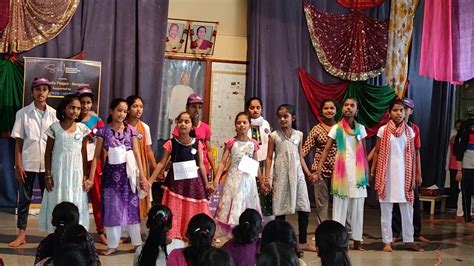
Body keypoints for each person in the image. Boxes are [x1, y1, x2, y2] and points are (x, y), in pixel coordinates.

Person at [88, 98, 150, 255]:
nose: (122, 114)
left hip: (128, 176)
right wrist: (90, 177)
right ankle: (113, 244)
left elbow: (136, 154)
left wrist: (142, 177)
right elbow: (96, 156)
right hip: (110, 177)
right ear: (111, 111)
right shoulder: (103, 131)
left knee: (132, 209)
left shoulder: (131, 131)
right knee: (112, 209)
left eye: (124, 111)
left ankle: (137, 244)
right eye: (119, 110)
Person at [9, 77, 57, 247]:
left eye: (44, 89)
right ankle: (21, 235)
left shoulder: (55, 114)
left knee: (50, 199)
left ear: (49, 93)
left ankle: (53, 235)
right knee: (24, 200)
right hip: (28, 163)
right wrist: (18, 164)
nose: (41, 92)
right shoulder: (22, 114)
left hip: (48, 166)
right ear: (32, 92)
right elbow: (19, 141)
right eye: (37, 89)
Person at [150, 111, 212, 239]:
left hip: (193, 184)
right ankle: (175, 231)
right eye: (180, 121)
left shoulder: (197, 143)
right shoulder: (171, 143)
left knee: (193, 207)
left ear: (192, 126)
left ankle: (192, 232)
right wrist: (150, 181)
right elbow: (161, 164)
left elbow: (200, 164)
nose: (183, 124)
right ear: (176, 124)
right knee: (176, 207)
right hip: (175, 183)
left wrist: (207, 184)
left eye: (186, 122)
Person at [371, 99, 423, 252]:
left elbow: (413, 154)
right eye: (395, 110)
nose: (398, 113)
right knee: (386, 209)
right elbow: (378, 152)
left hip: (404, 175)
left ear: (405, 112)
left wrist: (414, 175)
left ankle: (409, 240)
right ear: (389, 113)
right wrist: (373, 171)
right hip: (386, 175)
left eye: (401, 110)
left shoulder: (410, 131)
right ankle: (387, 241)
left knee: (407, 209)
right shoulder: (382, 130)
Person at [317, 97, 369, 251]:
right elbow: (326, 150)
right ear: (342, 109)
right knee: (340, 208)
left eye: (352, 105)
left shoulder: (361, 128)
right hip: (341, 174)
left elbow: (364, 152)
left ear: (356, 110)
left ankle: (358, 240)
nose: (348, 108)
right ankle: (338, 240)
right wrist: (319, 169)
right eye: (346, 105)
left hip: (358, 174)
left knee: (358, 208)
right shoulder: (336, 128)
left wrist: (366, 172)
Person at [265, 104, 315, 252]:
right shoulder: (274, 136)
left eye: (285, 116)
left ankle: (303, 241)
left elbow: (300, 156)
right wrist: (267, 177)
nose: (282, 119)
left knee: (303, 206)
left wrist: (308, 173)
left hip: (297, 175)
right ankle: (281, 241)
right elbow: (268, 158)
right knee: (280, 209)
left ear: (293, 118)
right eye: (280, 116)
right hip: (281, 175)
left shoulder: (298, 134)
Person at [38, 95, 90, 232]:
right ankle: (55, 233)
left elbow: (84, 152)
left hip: (76, 172)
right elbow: (48, 152)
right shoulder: (55, 128)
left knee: (76, 199)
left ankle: (75, 232)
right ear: (64, 108)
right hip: (58, 171)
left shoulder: (82, 128)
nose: (75, 111)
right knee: (58, 197)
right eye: (72, 107)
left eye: (78, 108)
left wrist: (85, 175)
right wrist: (47, 175)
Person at [214, 112, 263, 234]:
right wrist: (216, 180)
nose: (241, 125)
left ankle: (247, 230)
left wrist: (262, 182)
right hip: (233, 179)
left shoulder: (253, 144)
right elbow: (222, 162)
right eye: (238, 122)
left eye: (244, 122)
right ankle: (233, 232)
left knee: (246, 202)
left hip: (248, 180)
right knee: (234, 203)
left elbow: (256, 164)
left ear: (249, 125)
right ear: (235, 126)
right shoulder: (231, 143)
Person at [392, 98, 431, 242]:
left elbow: (417, 152)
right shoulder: (389, 128)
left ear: (410, 111)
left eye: (406, 108)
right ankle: (395, 232)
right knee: (395, 202)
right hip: (395, 170)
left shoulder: (414, 129)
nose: (403, 111)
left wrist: (418, 173)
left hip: (409, 171)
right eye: (399, 108)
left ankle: (416, 233)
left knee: (413, 202)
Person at [302, 99, 338, 238]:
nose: (329, 111)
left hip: (339, 171)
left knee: (338, 204)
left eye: (332, 108)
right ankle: (323, 233)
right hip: (319, 171)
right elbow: (305, 150)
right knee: (322, 204)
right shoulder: (317, 129)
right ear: (321, 111)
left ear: (336, 110)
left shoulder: (341, 128)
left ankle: (336, 232)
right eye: (326, 108)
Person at [76, 86, 107, 244]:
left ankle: (101, 230)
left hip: (94, 164)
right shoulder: (72, 120)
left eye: (88, 102)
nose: (85, 106)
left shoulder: (97, 120)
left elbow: (104, 145)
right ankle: (77, 231)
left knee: (97, 198)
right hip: (76, 164)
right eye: (82, 103)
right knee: (77, 198)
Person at [126, 95, 158, 220]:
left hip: (141, 165)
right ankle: (124, 230)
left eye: (141, 107)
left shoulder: (145, 127)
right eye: (135, 106)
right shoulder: (122, 126)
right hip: (126, 165)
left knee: (140, 195)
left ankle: (139, 229)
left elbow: (149, 150)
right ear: (128, 109)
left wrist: (155, 167)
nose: (138, 109)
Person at [172, 94, 217, 179]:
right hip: (184, 169)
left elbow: (209, 151)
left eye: (199, 107)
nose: (197, 110)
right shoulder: (180, 128)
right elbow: (174, 148)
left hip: (202, 170)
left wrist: (214, 169)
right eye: (193, 107)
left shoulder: (206, 128)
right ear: (187, 108)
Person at [246, 97, 273, 222]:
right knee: (253, 190)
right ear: (248, 109)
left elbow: (269, 143)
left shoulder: (266, 124)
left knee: (267, 189)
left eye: (258, 107)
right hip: (250, 162)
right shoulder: (245, 124)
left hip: (265, 161)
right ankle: (253, 219)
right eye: (252, 108)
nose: (255, 110)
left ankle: (267, 221)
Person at [454, 111, 474, 228]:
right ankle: (467, 218)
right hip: (466, 167)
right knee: (466, 193)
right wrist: (459, 170)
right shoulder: (464, 135)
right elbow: (459, 154)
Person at [447, 119, 463, 211]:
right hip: (453, 165)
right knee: (454, 186)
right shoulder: (454, 137)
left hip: (463, 165)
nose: (458, 129)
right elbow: (453, 143)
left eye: (460, 127)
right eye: (457, 127)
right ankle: (453, 205)